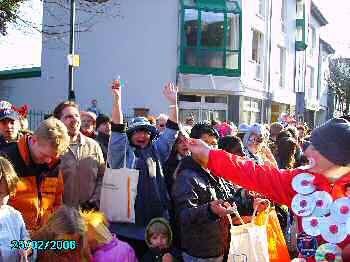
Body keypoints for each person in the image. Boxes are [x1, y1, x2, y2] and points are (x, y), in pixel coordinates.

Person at [186, 118, 350, 262]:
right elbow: (255, 174)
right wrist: (210, 154)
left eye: (316, 149)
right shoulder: (302, 181)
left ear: (335, 156)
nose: (308, 153)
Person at [108, 82, 179, 259]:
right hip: (125, 230)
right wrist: (117, 100)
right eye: (137, 132)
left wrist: (173, 103)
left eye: (146, 132)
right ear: (130, 135)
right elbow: (117, 130)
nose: (141, 135)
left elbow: (171, 131)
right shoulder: (120, 154)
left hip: (154, 228)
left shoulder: (157, 151)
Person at [172, 123, 234, 262]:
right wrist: (210, 210)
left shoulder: (215, 170)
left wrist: (246, 197)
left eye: (213, 144)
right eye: (205, 143)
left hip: (220, 247)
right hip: (200, 254)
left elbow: (229, 198)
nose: (210, 148)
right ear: (192, 144)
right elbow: (183, 216)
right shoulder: (186, 177)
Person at [1, 117, 69, 231]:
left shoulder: (53, 162)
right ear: (34, 140)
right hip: (13, 238)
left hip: (45, 236)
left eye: (53, 156)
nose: (48, 161)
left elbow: (57, 201)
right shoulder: (6, 160)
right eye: (45, 155)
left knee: (73, 245)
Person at [53, 101, 105, 210]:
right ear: (58, 121)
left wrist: (94, 201)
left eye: (76, 116)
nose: (75, 119)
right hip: (60, 216)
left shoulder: (94, 146)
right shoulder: (53, 148)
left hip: (90, 214)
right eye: (68, 117)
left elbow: (102, 177)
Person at [0, 156, 35, 261]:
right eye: (0, 193)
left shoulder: (14, 216)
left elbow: (24, 238)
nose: (2, 199)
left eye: (7, 194)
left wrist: (27, 248)